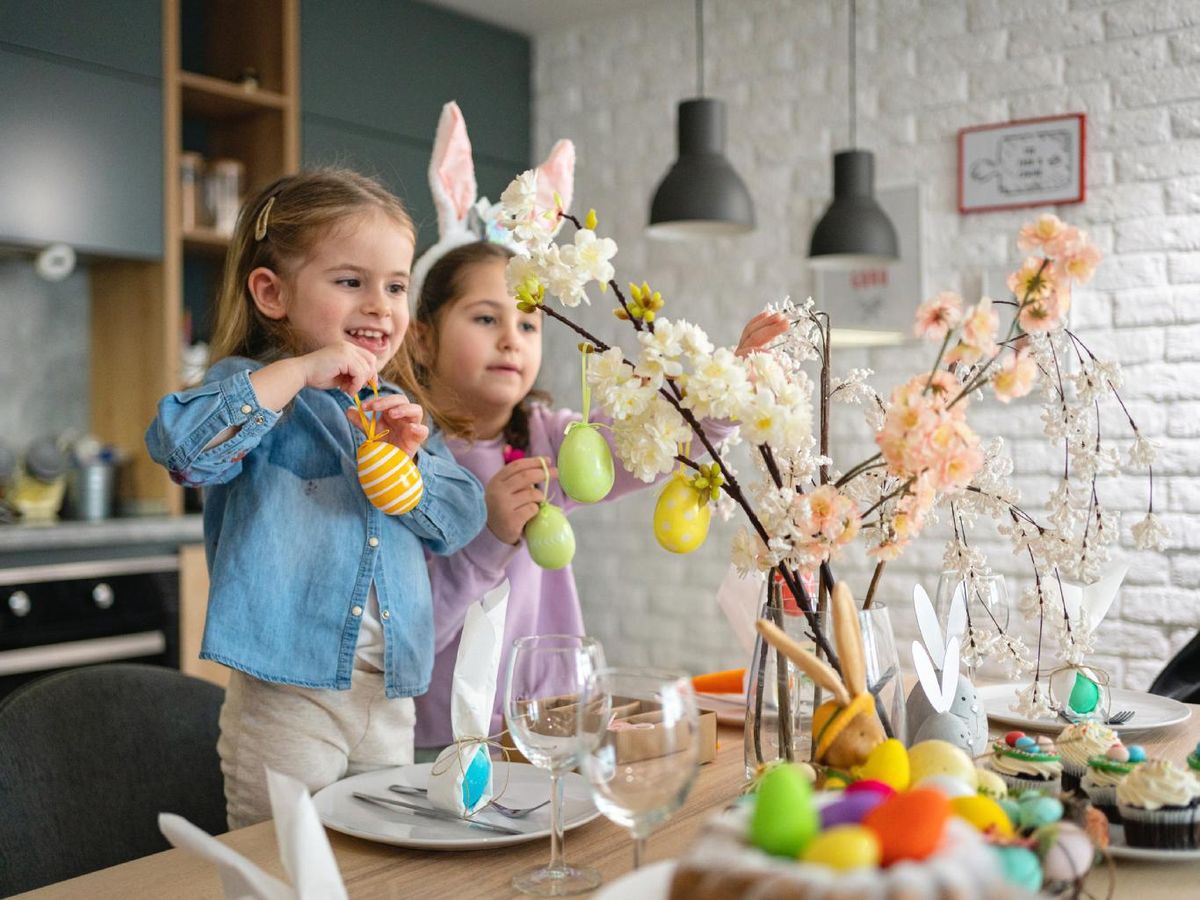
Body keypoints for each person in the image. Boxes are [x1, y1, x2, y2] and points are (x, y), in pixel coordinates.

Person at [145, 168, 486, 828]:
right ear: (272, 292)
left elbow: (461, 518)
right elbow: (186, 449)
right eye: (350, 281)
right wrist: (299, 372)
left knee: (378, 864)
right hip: (286, 695)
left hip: (388, 698)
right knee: (284, 868)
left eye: (395, 286)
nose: (381, 305)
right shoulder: (250, 389)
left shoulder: (400, 412)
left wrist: (411, 468)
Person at [410, 239, 788, 754]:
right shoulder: (405, 460)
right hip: (442, 740)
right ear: (422, 340)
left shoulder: (550, 442)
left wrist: (728, 389)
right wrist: (488, 539)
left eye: (527, 323)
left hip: (549, 725)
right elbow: (405, 638)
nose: (510, 340)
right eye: (484, 319)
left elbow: (646, 446)